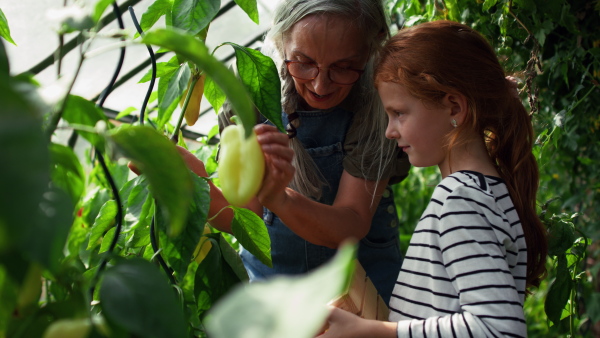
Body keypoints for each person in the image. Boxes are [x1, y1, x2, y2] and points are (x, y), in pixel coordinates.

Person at [319, 20, 548, 337]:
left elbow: (499, 330)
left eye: (399, 112)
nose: (390, 130)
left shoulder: (460, 200)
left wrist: (376, 331)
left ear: (454, 106)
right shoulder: (489, 190)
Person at [178, 0, 411, 304]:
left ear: (371, 49)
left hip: (360, 287)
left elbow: (350, 223)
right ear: (280, 43)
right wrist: (192, 185)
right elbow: (247, 218)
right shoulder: (251, 92)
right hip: (275, 286)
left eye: (342, 67)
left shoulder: (376, 102)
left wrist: (279, 198)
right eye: (303, 62)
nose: (320, 83)